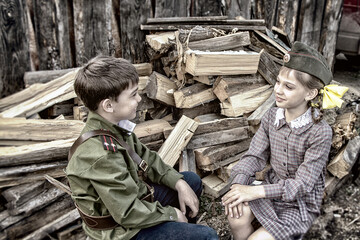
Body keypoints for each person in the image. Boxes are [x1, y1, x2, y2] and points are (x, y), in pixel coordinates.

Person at [66, 56, 218, 240]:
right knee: (207, 237)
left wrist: (179, 183)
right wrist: (171, 214)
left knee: (190, 182)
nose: (139, 99)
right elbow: (127, 212)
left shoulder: (115, 126)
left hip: (135, 200)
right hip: (121, 229)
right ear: (108, 105)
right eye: (132, 95)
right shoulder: (101, 154)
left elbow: (147, 159)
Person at [221, 42, 349, 240]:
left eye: (288, 87)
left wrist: (254, 192)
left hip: (300, 204)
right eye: (278, 82)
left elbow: (302, 185)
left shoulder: (319, 132)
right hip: (272, 189)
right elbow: (254, 156)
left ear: (310, 93)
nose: (278, 90)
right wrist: (239, 187)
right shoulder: (272, 117)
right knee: (235, 214)